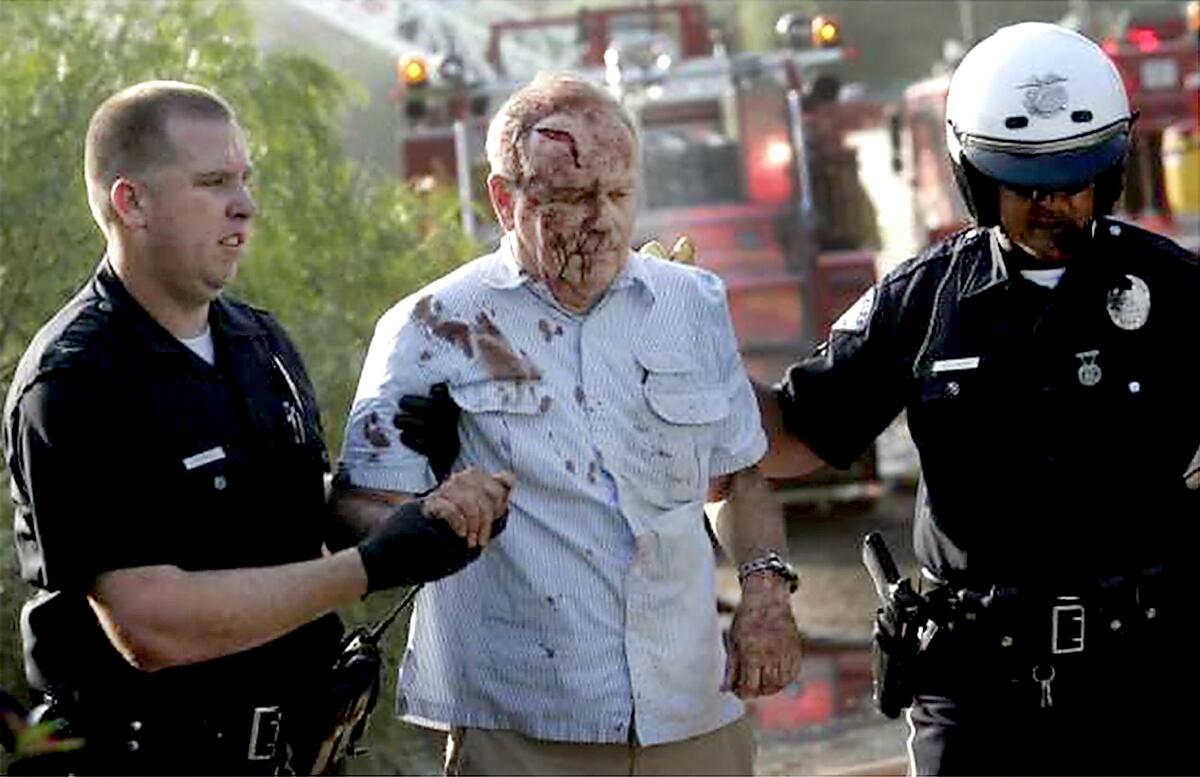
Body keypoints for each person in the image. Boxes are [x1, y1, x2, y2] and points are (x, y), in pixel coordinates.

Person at [2, 80, 511, 775]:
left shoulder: (259, 344)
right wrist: (369, 567)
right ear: (132, 202)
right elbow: (150, 623)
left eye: (245, 178)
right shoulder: (77, 380)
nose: (245, 204)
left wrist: (422, 511)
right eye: (212, 182)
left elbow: (290, 510)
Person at [753, 23, 1199, 776]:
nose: (1054, 203)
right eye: (1026, 184)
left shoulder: (1178, 292)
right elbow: (790, 438)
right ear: (976, 178)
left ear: (1112, 170)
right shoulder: (919, 301)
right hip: (976, 693)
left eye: (1075, 179)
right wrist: (681, 368)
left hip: (1149, 681)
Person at [333, 72, 804, 776]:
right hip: (526, 730)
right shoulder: (432, 327)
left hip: (693, 714)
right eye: (574, 198)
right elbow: (354, 509)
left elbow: (736, 481)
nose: (604, 222)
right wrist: (428, 518)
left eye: (618, 194)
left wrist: (765, 588)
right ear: (503, 198)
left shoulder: (690, 303)